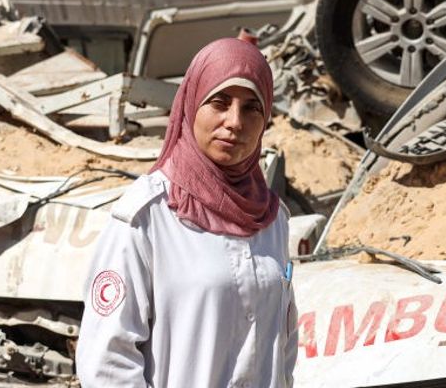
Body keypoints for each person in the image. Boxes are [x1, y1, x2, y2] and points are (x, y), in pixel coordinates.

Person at [76, 38, 297, 387]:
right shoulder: (147, 216)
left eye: (252, 107)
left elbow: (283, 350)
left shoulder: (272, 219)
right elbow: (107, 361)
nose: (234, 121)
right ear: (191, 103)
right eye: (219, 102)